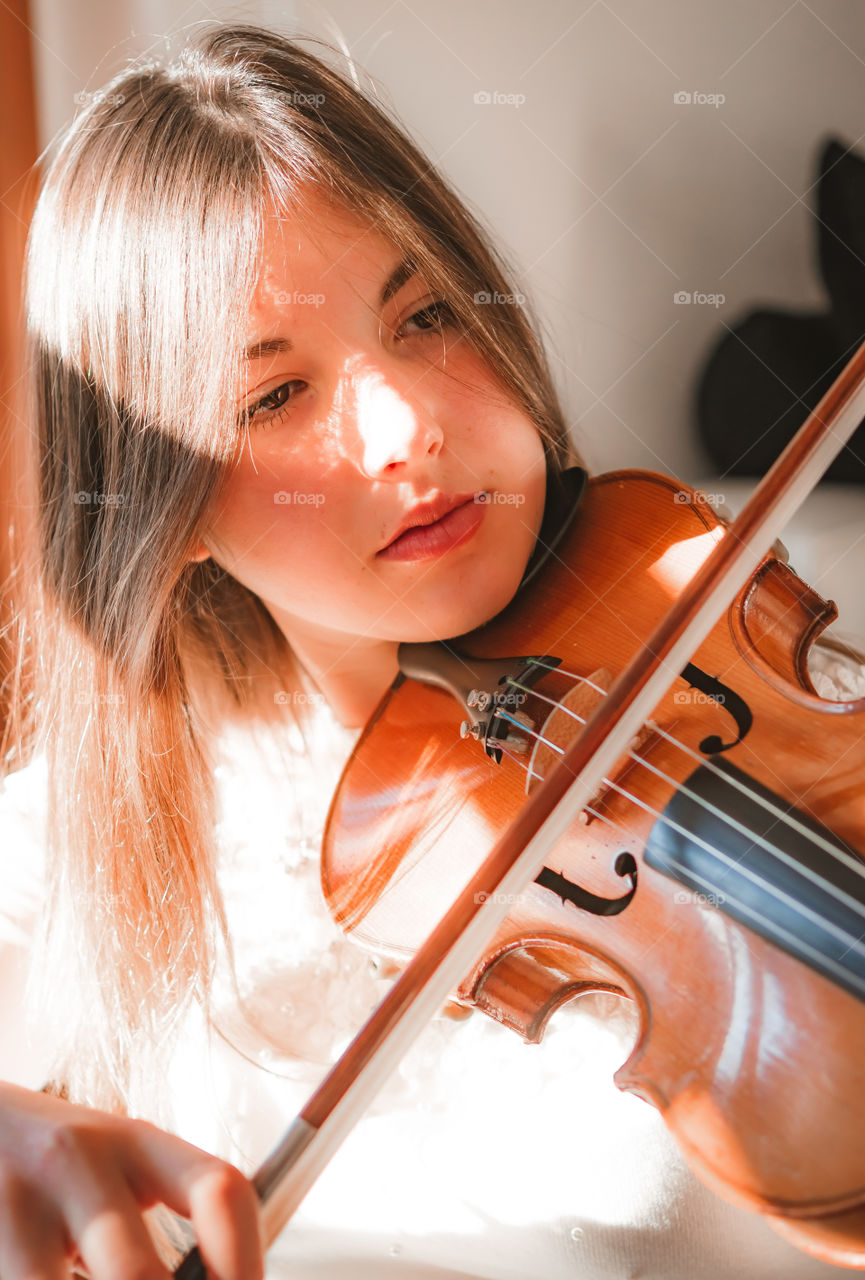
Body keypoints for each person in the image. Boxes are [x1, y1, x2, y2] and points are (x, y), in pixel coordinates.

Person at [0, 21, 862, 1280]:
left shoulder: (727, 636)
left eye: (425, 316)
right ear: (161, 502)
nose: (407, 424)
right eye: (274, 394)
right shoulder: (73, 847)